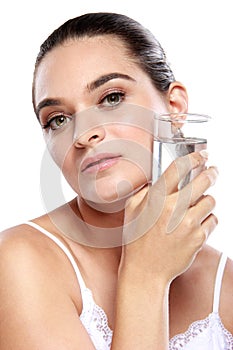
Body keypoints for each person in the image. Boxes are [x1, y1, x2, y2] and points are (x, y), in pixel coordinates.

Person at [0, 12, 232, 350]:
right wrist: (146, 277)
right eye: (58, 119)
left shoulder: (225, 284)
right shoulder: (20, 261)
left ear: (175, 105)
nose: (83, 135)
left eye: (111, 98)